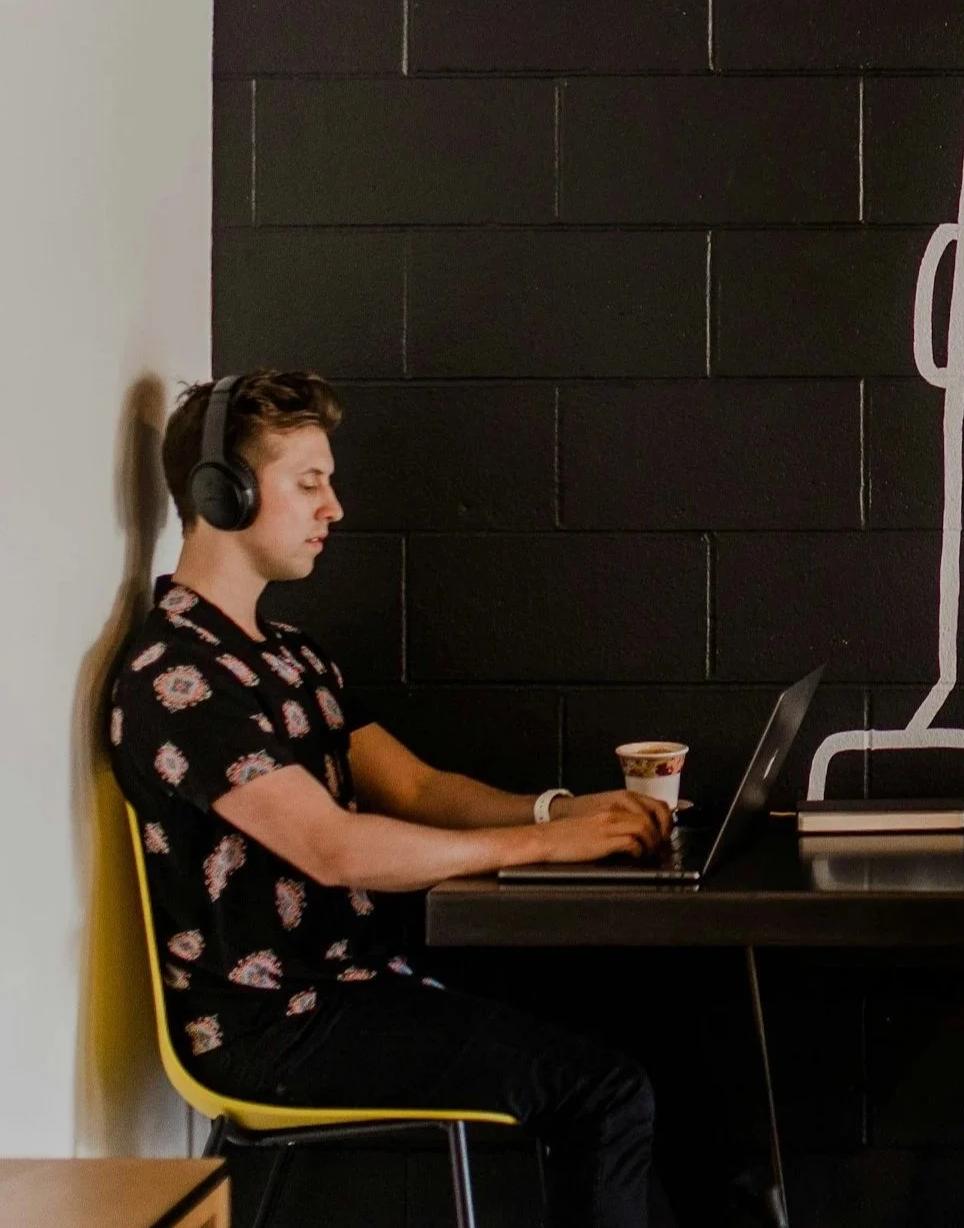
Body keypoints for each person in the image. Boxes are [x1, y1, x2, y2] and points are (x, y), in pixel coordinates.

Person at [108, 370, 673, 1228]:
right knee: (603, 1091)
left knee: (645, 1026)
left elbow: (414, 786)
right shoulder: (176, 679)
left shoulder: (293, 655)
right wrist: (542, 848)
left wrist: (557, 812)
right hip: (278, 1025)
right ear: (222, 493)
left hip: (358, 982)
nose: (333, 506)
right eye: (309, 483)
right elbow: (335, 846)